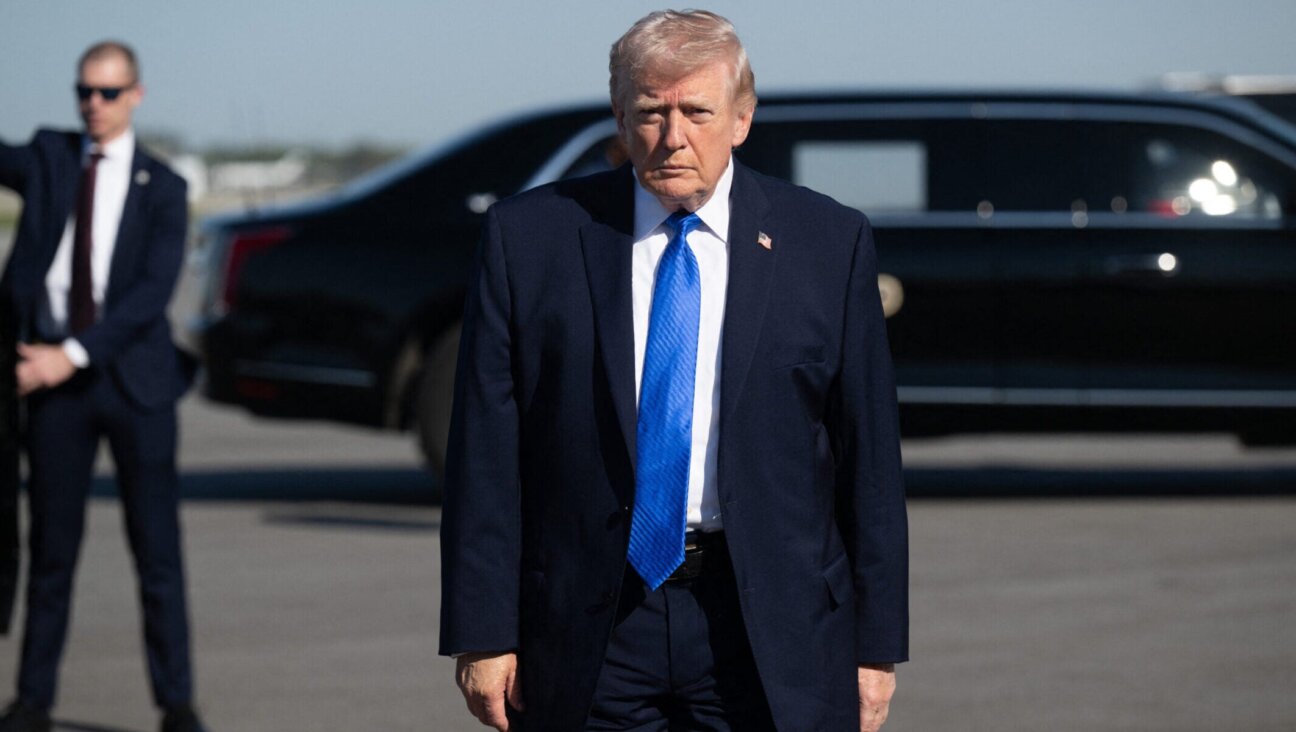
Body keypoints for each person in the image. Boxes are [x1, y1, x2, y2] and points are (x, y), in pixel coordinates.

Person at [440, 9, 908, 732]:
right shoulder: (529, 239)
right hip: (588, 621)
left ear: (742, 119)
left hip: (769, 624)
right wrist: (483, 630)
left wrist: (876, 647)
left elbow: (868, 459)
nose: (673, 136)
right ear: (621, 122)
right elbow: (486, 452)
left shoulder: (827, 242)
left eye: (696, 111)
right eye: (651, 113)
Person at [0, 42, 207, 732]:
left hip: (134, 388)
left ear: (136, 96)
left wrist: (71, 355)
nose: (93, 103)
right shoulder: (51, 158)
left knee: (157, 556)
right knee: (51, 555)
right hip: (56, 396)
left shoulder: (166, 188)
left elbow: (150, 296)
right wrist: (53, 363)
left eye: (108, 93)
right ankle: (32, 701)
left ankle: (177, 704)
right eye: (84, 91)